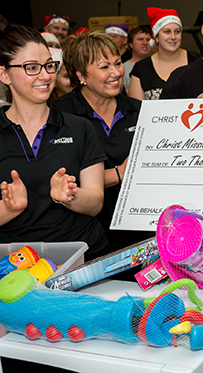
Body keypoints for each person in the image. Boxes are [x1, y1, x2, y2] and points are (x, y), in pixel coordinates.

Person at [0, 12, 109, 260]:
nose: (45, 76)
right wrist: (10, 207)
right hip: (15, 270)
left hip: (83, 261)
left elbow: (96, 201)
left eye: (49, 65)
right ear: (4, 74)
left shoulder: (80, 128)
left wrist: (69, 196)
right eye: (31, 68)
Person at [53, 30, 147, 251]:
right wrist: (120, 173)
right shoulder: (59, 116)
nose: (116, 73)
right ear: (81, 75)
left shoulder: (139, 111)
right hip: (85, 235)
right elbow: (61, 182)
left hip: (138, 234)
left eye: (118, 63)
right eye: (105, 67)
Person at [129, 8, 200, 100]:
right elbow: (136, 109)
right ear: (156, 37)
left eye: (177, 31)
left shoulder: (196, 62)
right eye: (167, 32)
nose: (173, 37)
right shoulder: (142, 68)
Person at [122, 25, 152, 90]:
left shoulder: (158, 65)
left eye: (148, 40)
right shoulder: (123, 69)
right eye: (140, 39)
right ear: (131, 44)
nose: (145, 43)